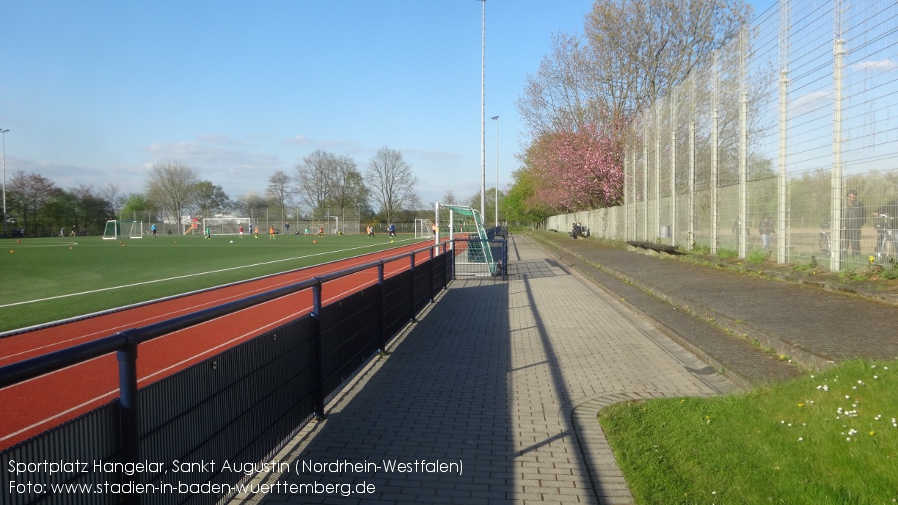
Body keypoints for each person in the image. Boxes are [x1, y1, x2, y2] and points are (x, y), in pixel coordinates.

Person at [842, 189, 865, 258]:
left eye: (853, 197)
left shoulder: (859, 205)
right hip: (844, 228)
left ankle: (856, 258)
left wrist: (859, 225)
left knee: (855, 245)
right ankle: (842, 258)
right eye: (850, 197)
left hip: (855, 228)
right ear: (847, 197)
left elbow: (864, 217)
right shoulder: (842, 206)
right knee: (844, 245)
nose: (852, 199)